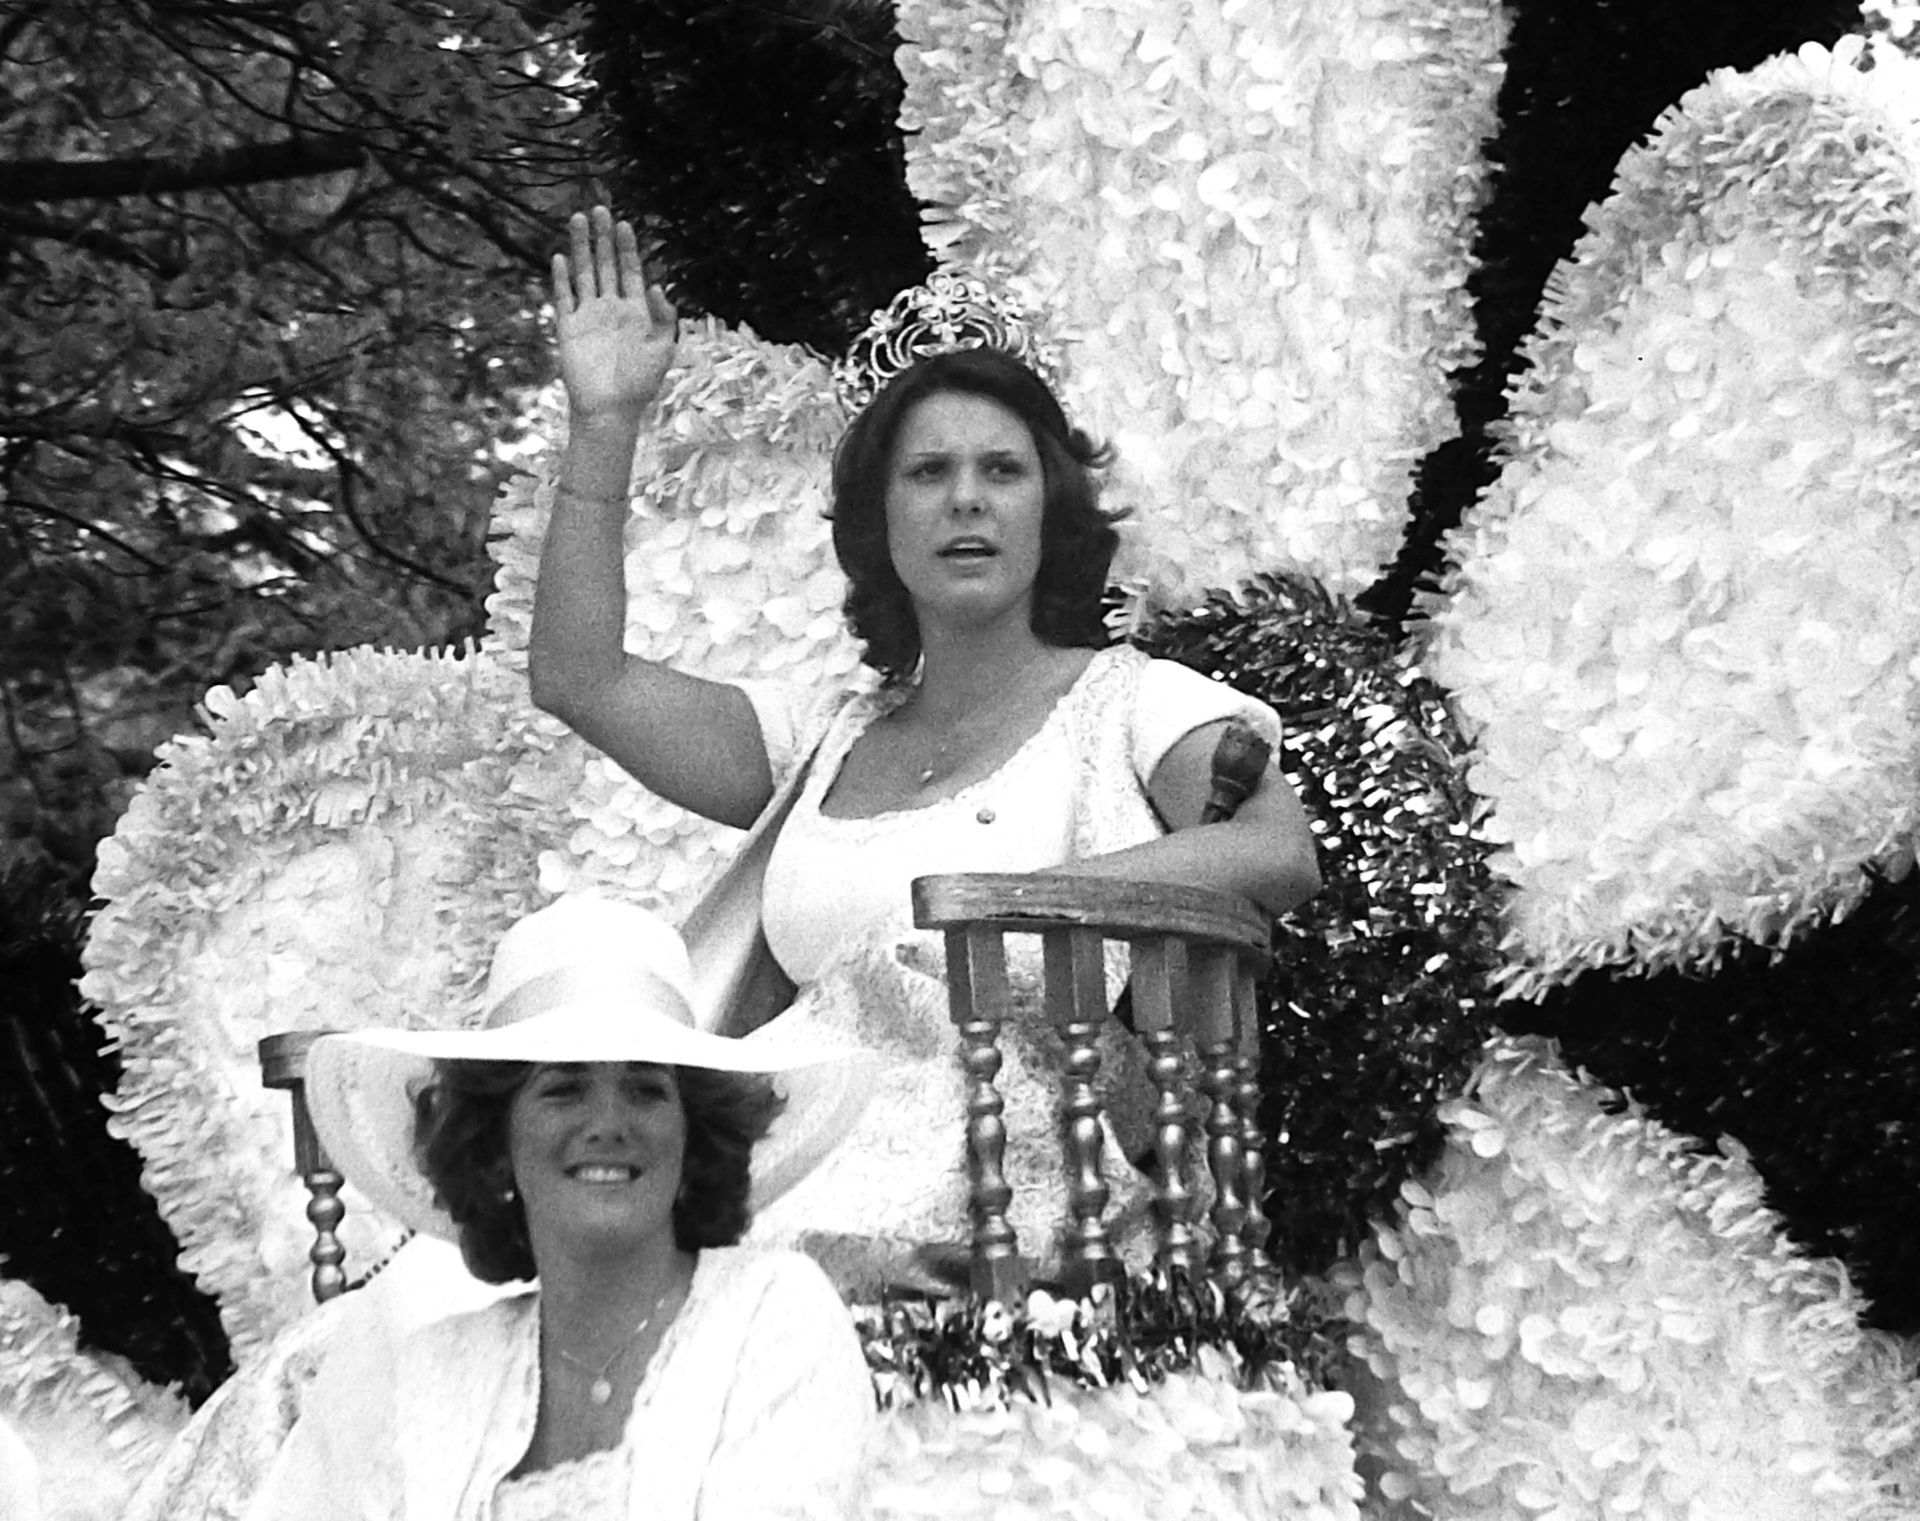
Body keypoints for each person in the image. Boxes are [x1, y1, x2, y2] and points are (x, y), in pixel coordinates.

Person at [531, 206, 1323, 1287]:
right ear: (880, 521)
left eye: (1003, 470)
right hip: (789, 1160)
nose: (966, 500)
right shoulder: (820, 743)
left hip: (1002, 1189)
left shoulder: (1135, 703)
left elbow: (1280, 851)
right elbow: (582, 677)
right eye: (927, 473)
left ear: (1054, 506)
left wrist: (1024, 899)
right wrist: (605, 422)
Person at [123, 894, 876, 1521]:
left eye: (647, 1087)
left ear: (695, 1135)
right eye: (563, 1087)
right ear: (495, 1141)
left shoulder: (774, 1312)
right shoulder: (433, 1367)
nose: (608, 1121)